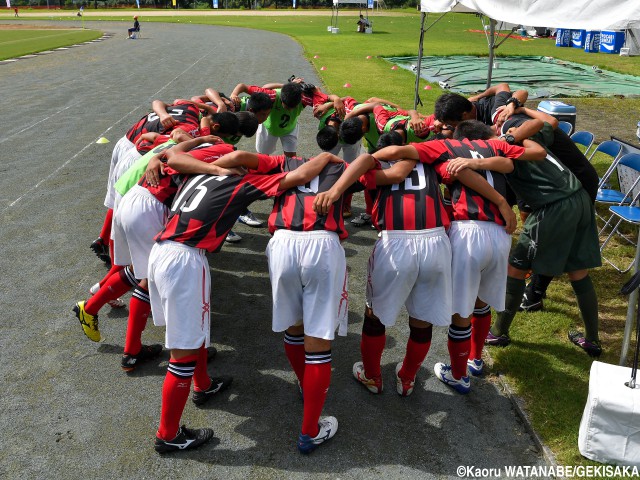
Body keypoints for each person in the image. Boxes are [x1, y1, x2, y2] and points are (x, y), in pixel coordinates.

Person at [147, 150, 341, 454]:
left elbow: (170, 157)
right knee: (182, 350)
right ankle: (167, 434)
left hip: (159, 251)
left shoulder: (196, 173)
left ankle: (203, 384)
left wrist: (162, 159)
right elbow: (301, 177)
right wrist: (328, 156)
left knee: (194, 330)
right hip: (186, 258)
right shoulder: (241, 183)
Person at [313, 142, 515, 398]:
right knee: (422, 317)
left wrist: (337, 188)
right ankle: (407, 378)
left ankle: (373, 375)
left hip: (396, 241)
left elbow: (365, 164)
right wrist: (501, 201)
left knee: (374, 315)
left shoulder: (376, 169)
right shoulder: (432, 164)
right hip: (436, 241)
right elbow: (463, 173)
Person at [213, 149, 350, 453]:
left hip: (283, 242)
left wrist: (209, 166)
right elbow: (380, 168)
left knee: (293, 325)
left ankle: (303, 383)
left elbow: (238, 156)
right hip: (322, 244)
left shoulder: (281, 163)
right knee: (318, 339)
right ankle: (309, 430)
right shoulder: (342, 166)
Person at [453, 120, 602, 357]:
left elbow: (505, 163)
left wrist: (473, 161)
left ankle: (499, 332)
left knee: (516, 267)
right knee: (578, 270)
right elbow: (545, 122)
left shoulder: (498, 147)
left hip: (554, 206)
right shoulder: (525, 137)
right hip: (579, 197)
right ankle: (592, 339)